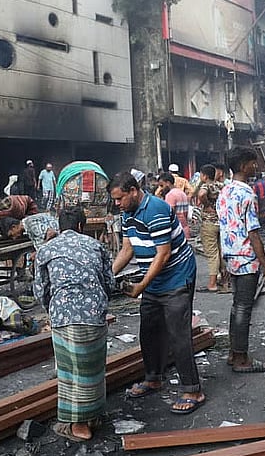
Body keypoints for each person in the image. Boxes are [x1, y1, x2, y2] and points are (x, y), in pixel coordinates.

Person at [111, 173, 205, 415]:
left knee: (178, 334)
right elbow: (127, 248)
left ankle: (192, 389)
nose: (117, 204)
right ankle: (154, 378)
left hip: (175, 276)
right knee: (149, 331)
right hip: (153, 278)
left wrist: (140, 286)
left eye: (120, 198)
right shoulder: (127, 213)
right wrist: (107, 274)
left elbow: (163, 254)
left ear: (133, 191)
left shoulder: (156, 209)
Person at [35, 208, 117, 442]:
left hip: (63, 316)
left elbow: (41, 289)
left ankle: (79, 424)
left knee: (70, 371)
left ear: (60, 227)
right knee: (93, 369)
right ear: (82, 226)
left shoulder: (46, 249)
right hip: (94, 314)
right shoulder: (95, 246)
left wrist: (53, 309)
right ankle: (93, 416)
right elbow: (108, 282)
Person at [216, 147, 265, 374]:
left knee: (237, 306)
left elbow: (223, 228)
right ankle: (241, 358)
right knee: (244, 308)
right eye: (253, 163)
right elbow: (253, 233)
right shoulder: (247, 193)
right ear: (243, 166)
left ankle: (234, 352)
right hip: (246, 257)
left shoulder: (225, 191)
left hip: (231, 255)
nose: (256, 166)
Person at [194, 164, 227, 293]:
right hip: (220, 222)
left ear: (205, 176)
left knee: (212, 254)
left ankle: (212, 283)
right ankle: (225, 279)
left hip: (209, 223)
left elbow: (201, 194)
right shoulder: (220, 185)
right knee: (220, 251)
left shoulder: (205, 185)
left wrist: (207, 205)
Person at [158, 171, 191, 239]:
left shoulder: (170, 195)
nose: (161, 188)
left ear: (168, 183)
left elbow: (169, 214)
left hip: (176, 231)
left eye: (162, 185)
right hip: (185, 228)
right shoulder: (182, 193)